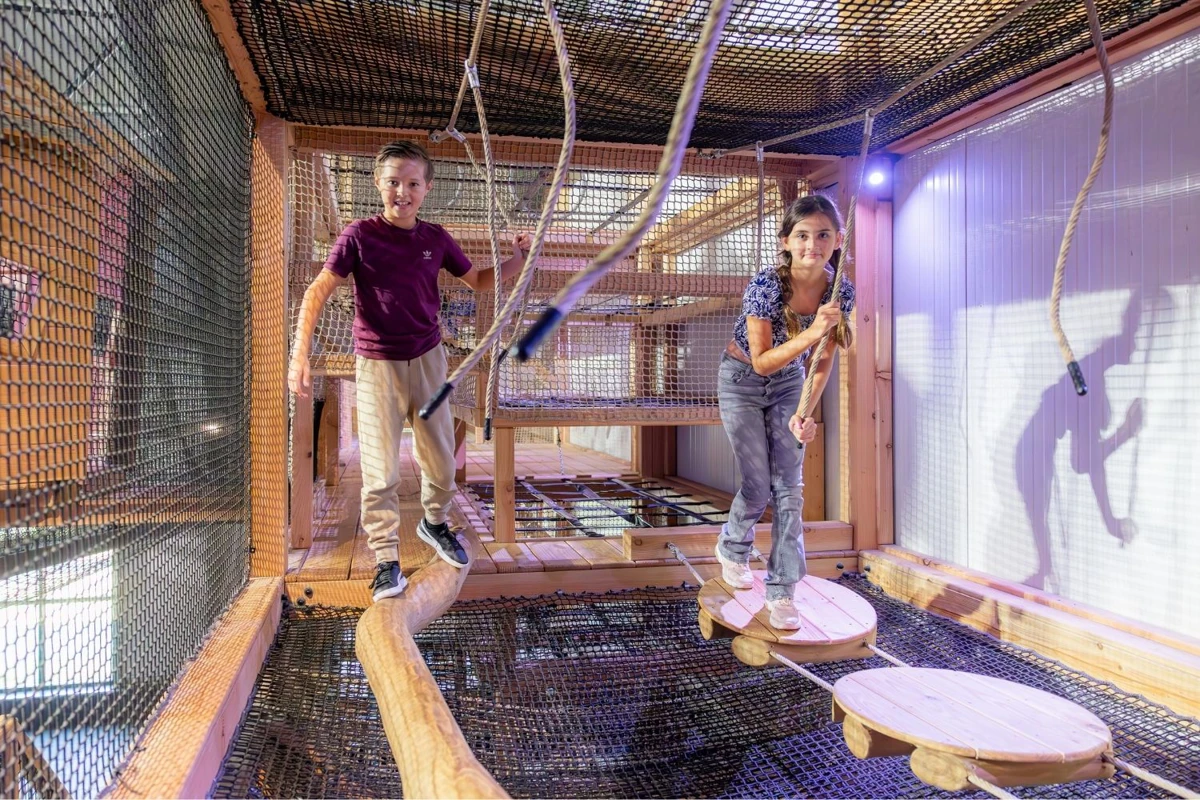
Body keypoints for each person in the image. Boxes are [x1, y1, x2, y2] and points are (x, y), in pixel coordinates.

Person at [288, 140, 530, 601]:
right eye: (394, 182)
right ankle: (385, 560)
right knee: (380, 471)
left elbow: (479, 281)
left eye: (413, 183)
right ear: (378, 184)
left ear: (427, 188)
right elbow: (318, 289)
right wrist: (299, 352)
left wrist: (516, 258)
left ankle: (434, 522)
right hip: (377, 364)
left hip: (428, 358)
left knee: (441, 461)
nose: (403, 191)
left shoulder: (435, 239)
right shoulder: (359, 235)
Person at [715, 194, 855, 629]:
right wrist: (814, 330)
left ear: (838, 240)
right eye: (803, 235)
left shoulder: (840, 291)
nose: (813, 244)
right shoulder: (766, 285)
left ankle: (782, 592)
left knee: (790, 489)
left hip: (791, 382)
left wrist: (804, 412)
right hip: (742, 379)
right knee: (758, 486)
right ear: (786, 242)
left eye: (823, 235)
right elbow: (761, 361)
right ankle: (732, 546)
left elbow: (824, 357)